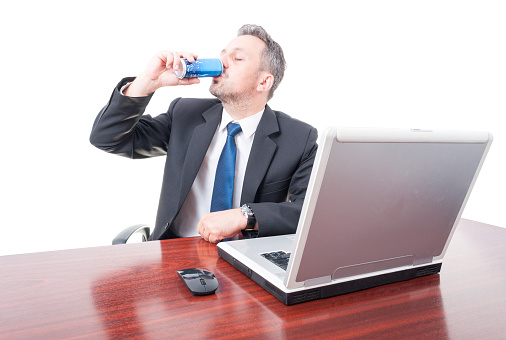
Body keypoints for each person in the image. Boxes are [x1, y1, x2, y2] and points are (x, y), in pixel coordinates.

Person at [90, 24, 318, 243]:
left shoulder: (299, 138)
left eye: (237, 58)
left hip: (244, 256)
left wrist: (245, 216)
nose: (222, 62)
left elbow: (309, 212)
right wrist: (147, 82)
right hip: (175, 251)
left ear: (264, 81)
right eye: (223, 55)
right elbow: (107, 137)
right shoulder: (185, 114)